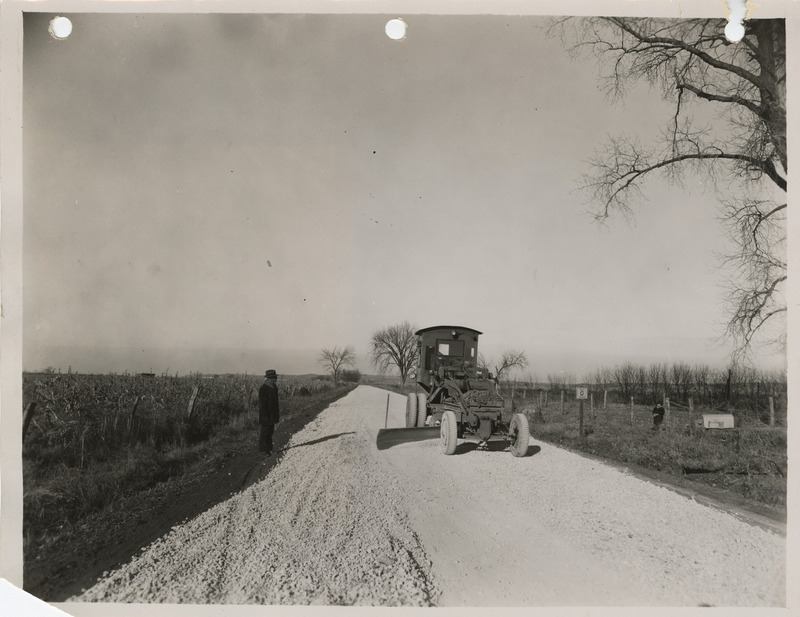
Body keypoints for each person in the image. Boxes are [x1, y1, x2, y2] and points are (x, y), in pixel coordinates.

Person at [258, 369, 280, 455]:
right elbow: (262, 405)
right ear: (270, 378)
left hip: (272, 415)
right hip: (266, 416)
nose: (276, 379)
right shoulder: (264, 389)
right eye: (274, 377)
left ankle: (269, 449)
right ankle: (263, 450)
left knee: (270, 432)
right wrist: (265, 417)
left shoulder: (274, 387)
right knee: (265, 433)